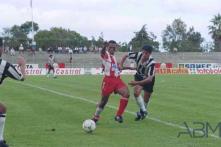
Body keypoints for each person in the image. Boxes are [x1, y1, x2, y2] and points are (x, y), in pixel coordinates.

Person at [92, 40, 130, 123]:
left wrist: (130, 68)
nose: (112, 48)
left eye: (114, 47)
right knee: (103, 102)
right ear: (108, 47)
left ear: (116, 48)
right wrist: (104, 47)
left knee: (126, 93)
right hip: (108, 81)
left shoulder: (114, 57)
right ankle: (96, 117)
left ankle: (118, 115)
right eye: (110, 47)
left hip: (117, 80)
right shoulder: (106, 54)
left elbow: (116, 68)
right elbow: (102, 53)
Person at [0, 37, 26, 147]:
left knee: (2, 108)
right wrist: (23, 65)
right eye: (2, 47)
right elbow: (21, 77)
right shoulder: (4, 65)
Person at [120, 45, 156, 121]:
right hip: (139, 75)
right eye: (143, 53)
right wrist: (121, 65)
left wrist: (136, 82)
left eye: (146, 53)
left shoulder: (152, 63)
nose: (143, 55)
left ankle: (141, 112)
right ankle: (144, 111)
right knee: (136, 92)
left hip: (148, 79)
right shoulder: (138, 55)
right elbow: (125, 55)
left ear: (150, 54)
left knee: (146, 98)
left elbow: (149, 79)